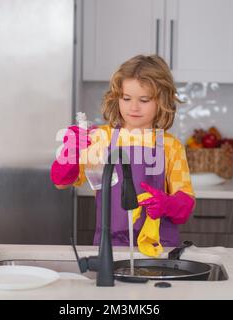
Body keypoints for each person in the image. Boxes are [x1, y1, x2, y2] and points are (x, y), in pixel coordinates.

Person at [50, 54, 195, 247]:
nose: (133, 107)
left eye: (144, 100)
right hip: (110, 248)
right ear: (117, 97)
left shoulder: (171, 146)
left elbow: (185, 205)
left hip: (158, 249)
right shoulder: (101, 138)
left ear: (162, 101)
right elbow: (61, 182)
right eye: (126, 98)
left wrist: (167, 204)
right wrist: (72, 151)